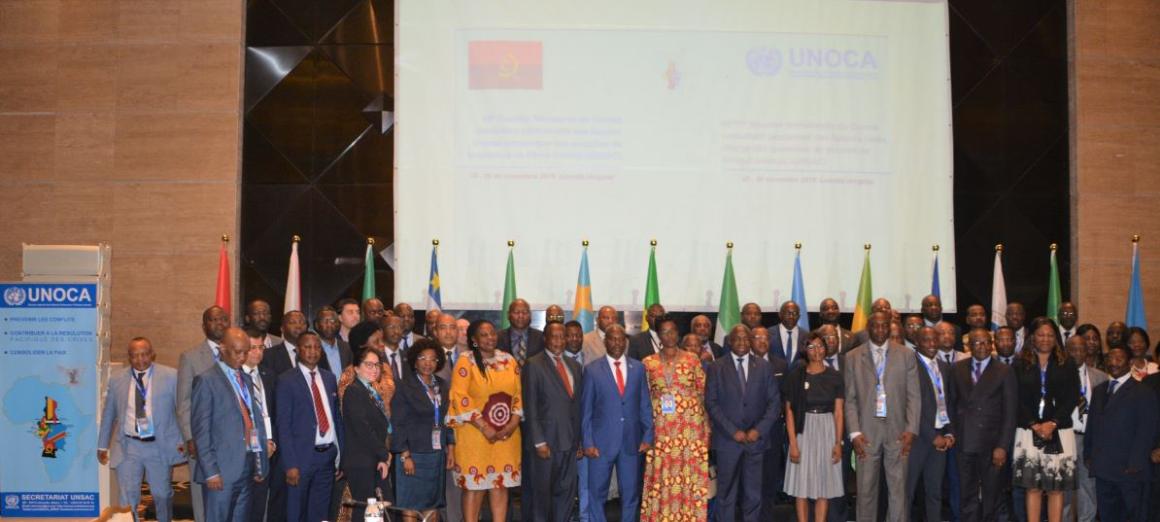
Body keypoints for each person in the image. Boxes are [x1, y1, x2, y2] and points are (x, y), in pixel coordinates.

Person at [97, 337, 186, 522]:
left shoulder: (171, 376)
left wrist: (185, 440)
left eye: (144, 354)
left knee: (162, 494)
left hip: (158, 446)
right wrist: (102, 445)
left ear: (152, 354)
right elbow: (109, 414)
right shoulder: (117, 379)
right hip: (129, 446)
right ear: (129, 357)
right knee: (127, 497)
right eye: (135, 355)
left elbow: (183, 411)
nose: (140, 359)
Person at [844, 311, 920, 522]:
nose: (880, 330)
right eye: (875, 326)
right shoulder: (852, 357)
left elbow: (914, 396)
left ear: (890, 327)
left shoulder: (906, 355)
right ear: (868, 328)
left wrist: (911, 429)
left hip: (898, 431)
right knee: (865, 489)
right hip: (866, 432)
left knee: (898, 490)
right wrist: (854, 432)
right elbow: (850, 399)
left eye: (884, 326)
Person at [191, 327, 271, 522]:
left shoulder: (245, 379)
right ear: (222, 349)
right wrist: (211, 472)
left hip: (247, 465)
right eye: (237, 352)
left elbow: (253, 421)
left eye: (245, 352)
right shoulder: (206, 380)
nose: (242, 357)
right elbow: (201, 431)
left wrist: (259, 462)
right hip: (221, 470)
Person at [447, 320, 523, 522]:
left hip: (506, 436)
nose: (490, 338)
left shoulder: (508, 360)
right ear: (474, 339)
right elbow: (459, 396)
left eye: (492, 333)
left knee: (500, 484)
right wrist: (484, 426)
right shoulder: (466, 361)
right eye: (484, 334)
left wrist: (513, 423)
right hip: (474, 435)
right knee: (475, 487)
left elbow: (518, 394)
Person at [706, 324, 781, 522]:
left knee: (753, 494)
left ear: (751, 342)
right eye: (737, 338)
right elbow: (711, 403)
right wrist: (733, 431)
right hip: (727, 441)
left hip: (756, 442)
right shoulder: (716, 367)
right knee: (726, 494)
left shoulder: (764, 367)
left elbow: (774, 403)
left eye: (746, 338)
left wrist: (758, 430)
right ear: (730, 342)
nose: (742, 342)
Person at [582, 324, 654, 522]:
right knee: (597, 493)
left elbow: (645, 404)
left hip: (631, 442)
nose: (617, 343)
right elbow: (586, 411)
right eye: (612, 339)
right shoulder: (592, 370)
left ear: (626, 342)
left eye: (621, 339)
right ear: (605, 342)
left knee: (630, 494)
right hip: (600, 443)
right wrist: (587, 442)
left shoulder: (638, 368)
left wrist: (648, 436)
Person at [640, 316, 710, 521]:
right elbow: (643, 400)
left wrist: (707, 429)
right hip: (661, 431)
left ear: (678, 334)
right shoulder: (648, 363)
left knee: (689, 476)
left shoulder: (692, 359)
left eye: (672, 331)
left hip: (690, 431)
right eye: (664, 332)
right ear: (658, 335)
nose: (669, 335)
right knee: (662, 476)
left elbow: (703, 394)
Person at [1012, 318, 1080, 522]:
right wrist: (1033, 424)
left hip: (1059, 430)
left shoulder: (1066, 362)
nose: (1045, 339)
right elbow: (1015, 397)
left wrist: (1053, 423)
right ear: (1032, 337)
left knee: (1055, 488)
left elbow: (1072, 396)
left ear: (1056, 338)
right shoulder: (1020, 363)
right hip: (1028, 430)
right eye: (1041, 334)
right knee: (1032, 487)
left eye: (1050, 335)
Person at [1086, 344, 1159, 521]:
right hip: (1103, 468)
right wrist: (1088, 454)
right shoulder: (1100, 390)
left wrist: (1136, 462)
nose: (1114, 363)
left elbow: (1147, 430)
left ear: (1130, 362)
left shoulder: (1143, 391)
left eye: (1119, 359)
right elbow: (1092, 426)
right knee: (1107, 516)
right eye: (1110, 358)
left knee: (1134, 516)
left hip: (1130, 470)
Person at [276, 331, 344, 522]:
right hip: (301, 458)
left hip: (327, 456)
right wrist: (290, 464)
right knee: (296, 512)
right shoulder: (286, 380)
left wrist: (340, 456)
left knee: (321, 512)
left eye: (316, 347)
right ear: (298, 350)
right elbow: (283, 425)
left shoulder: (329, 378)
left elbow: (336, 418)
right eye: (307, 347)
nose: (313, 351)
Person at [951, 328, 1017, 522]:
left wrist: (1002, 446)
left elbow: (1010, 412)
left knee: (992, 494)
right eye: (977, 342)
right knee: (967, 493)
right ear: (969, 346)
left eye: (987, 342)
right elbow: (951, 404)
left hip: (992, 443)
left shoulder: (1004, 371)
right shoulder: (957, 368)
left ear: (992, 344)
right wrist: (953, 434)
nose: (983, 346)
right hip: (965, 441)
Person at [523, 322, 585, 522]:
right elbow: (530, 405)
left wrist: (579, 441)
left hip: (570, 442)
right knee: (541, 496)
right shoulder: (533, 364)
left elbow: (576, 406)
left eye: (562, 336)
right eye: (554, 336)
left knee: (566, 494)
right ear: (545, 339)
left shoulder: (575, 366)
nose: (558, 341)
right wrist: (539, 441)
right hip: (546, 444)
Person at [783, 333, 845, 522]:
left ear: (825, 349)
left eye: (820, 346)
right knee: (801, 486)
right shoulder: (796, 376)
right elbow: (789, 411)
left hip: (827, 430)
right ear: (805, 350)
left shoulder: (835, 376)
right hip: (803, 430)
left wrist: (838, 443)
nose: (816, 350)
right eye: (811, 347)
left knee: (823, 486)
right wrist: (793, 443)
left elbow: (839, 412)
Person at [392, 339, 456, 521]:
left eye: (433, 359)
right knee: (410, 504)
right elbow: (398, 423)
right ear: (414, 361)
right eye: (423, 358)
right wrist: (405, 455)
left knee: (432, 503)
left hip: (436, 454)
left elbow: (446, 419)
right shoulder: (404, 386)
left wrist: (451, 448)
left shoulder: (442, 385)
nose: (428, 363)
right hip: (412, 455)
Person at [177, 305, 231, 522]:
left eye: (223, 319)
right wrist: (190, 438)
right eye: (213, 319)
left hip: (230, 439)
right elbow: (183, 402)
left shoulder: (236, 354)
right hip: (202, 438)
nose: (219, 323)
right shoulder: (190, 357)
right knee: (202, 492)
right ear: (204, 326)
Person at [906, 327, 956, 522]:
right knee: (907, 492)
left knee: (934, 492)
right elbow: (909, 406)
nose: (932, 344)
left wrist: (949, 433)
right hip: (917, 438)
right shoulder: (909, 365)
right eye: (926, 340)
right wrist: (932, 436)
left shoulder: (944, 367)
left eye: (935, 339)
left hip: (940, 437)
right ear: (917, 342)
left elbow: (949, 402)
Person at [341, 346, 392, 522]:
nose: (374, 369)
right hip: (361, 461)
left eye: (377, 365)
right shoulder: (354, 391)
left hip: (373, 458)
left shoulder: (370, 391)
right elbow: (363, 429)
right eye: (369, 365)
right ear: (356, 368)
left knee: (376, 513)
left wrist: (381, 457)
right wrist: (384, 454)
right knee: (365, 512)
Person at [243, 327, 284, 522]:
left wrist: (271, 441)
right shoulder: (235, 377)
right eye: (253, 348)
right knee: (243, 508)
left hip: (269, 449)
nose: (258, 352)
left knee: (260, 507)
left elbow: (275, 413)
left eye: (261, 348)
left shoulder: (269, 375)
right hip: (245, 452)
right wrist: (257, 444)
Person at [1064, 335, 1107, 522]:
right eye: (1073, 349)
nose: (1078, 353)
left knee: (1088, 486)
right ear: (1066, 351)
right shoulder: (1057, 374)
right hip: (1066, 436)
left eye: (1081, 349)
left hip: (1089, 437)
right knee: (1064, 487)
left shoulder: (1101, 377)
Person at [750, 324, 789, 513]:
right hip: (748, 430)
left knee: (770, 478)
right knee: (749, 480)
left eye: (766, 337)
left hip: (773, 431)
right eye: (758, 337)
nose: (762, 341)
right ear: (750, 341)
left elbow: (784, 397)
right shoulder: (743, 363)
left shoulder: (781, 364)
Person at [564, 320, 592, 522]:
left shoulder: (592, 360)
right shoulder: (556, 364)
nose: (575, 339)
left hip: (588, 431)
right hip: (563, 434)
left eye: (579, 335)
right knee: (564, 483)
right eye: (570, 335)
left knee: (587, 482)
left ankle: (585, 517)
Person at [497, 299, 544, 365]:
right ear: (508, 315)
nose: (520, 316)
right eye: (516, 312)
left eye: (524, 312)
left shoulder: (541, 337)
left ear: (530, 315)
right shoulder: (498, 337)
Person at [262, 310, 309, 376]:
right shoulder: (268, 356)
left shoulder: (316, 353)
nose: (298, 326)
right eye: (293, 322)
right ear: (282, 328)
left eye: (302, 322)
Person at [315, 306, 353, 375]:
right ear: (317, 325)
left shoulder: (347, 347)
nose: (329, 325)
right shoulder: (312, 348)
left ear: (338, 324)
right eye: (324, 321)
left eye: (332, 321)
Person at [772, 301, 808, 367]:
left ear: (799, 316)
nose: (791, 316)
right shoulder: (769, 333)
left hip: (798, 373)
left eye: (795, 313)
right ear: (780, 314)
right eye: (788, 313)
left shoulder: (806, 335)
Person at [381, 315, 409, 382]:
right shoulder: (376, 356)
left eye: (400, 327)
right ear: (382, 331)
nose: (396, 331)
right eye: (391, 327)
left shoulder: (408, 357)